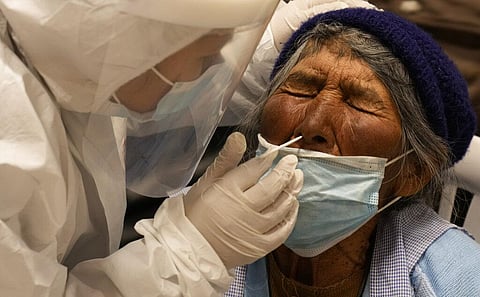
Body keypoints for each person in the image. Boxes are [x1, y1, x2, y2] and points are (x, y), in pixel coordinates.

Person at [0, 1, 306, 296]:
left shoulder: (76, 62)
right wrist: (189, 257)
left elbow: (137, 97)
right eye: (207, 54)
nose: (215, 67)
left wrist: (255, 56)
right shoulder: (11, 146)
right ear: (136, 41)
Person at [227, 6, 480, 296]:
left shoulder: (455, 279)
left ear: (414, 172)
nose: (313, 124)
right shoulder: (193, 231)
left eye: (358, 103)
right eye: (302, 89)